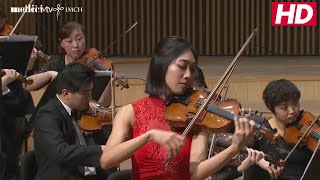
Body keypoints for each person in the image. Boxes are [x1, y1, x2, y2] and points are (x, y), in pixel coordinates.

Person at [100, 36, 256, 179]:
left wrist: (234, 148)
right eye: (182, 66)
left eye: (193, 69)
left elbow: (195, 174)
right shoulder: (130, 112)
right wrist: (149, 135)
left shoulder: (197, 115)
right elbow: (107, 161)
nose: (188, 75)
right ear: (161, 66)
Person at [33, 62, 116, 180]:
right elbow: (60, 152)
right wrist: (101, 149)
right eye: (85, 93)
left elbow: (102, 138)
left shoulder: (83, 110)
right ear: (66, 93)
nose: (90, 97)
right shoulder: (47, 115)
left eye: (91, 91)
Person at [193, 66, 264, 180]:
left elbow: (248, 141)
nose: (197, 91)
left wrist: (241, 124)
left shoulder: (216, 102)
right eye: (191, 87)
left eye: (199, 85)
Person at [23, 21, 113, 107]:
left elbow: (102, 105)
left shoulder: (93, 68)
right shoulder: (56, 62)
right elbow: (27, 85)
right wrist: (49, 74)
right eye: (69, 41)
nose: (75, 45)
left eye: (79, 39)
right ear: (61, 43)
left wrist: (109, 81)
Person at [244, 79, 312, 180]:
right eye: (284, 107)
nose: (292, 111)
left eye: (295, 104)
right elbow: (239, 152)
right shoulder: (259, 129)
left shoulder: (308, 127)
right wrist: (259, 161)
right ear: (272, 108)